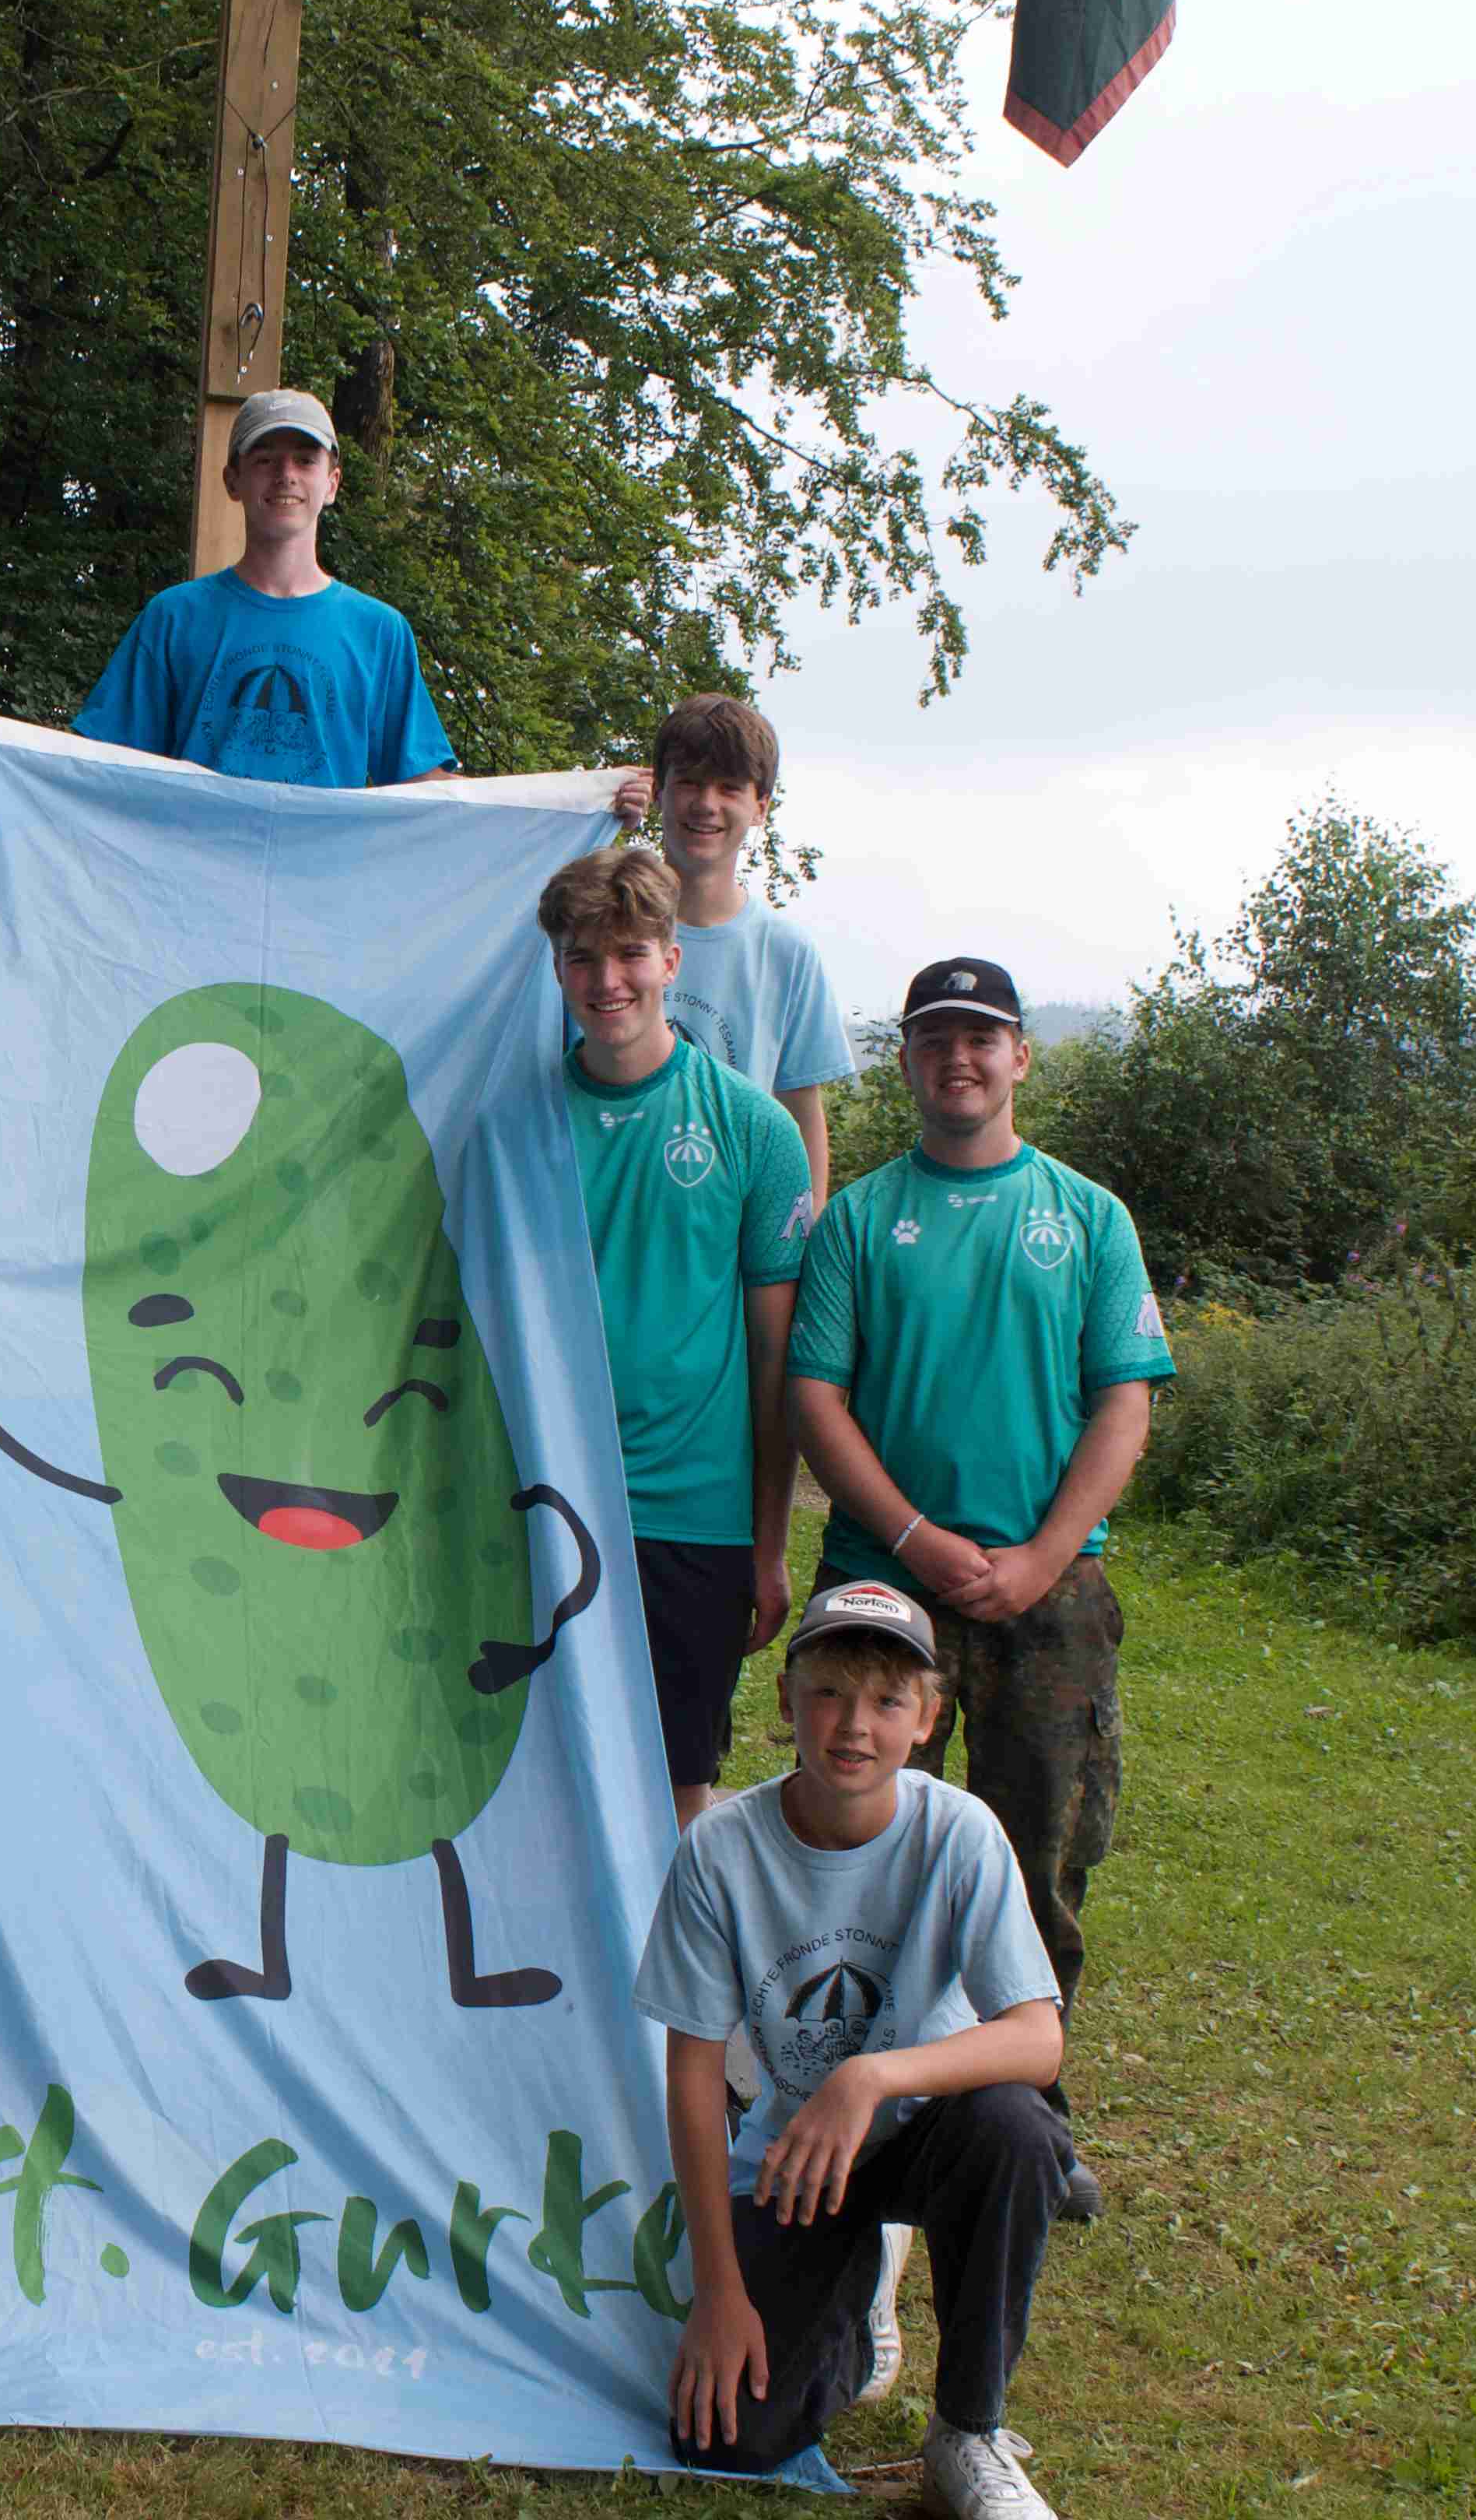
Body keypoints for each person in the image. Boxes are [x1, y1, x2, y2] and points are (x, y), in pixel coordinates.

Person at [784, 956, 1174, 2221]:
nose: (958, 1057)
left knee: (1034, 1850)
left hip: (1047, 1594)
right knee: (855, 1845)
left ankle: (1026, 2118)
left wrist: (1043, 1556)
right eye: (934, 1038)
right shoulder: (859, 1221)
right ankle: (838, 2093)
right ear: (905, 1059)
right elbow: (815, 1397)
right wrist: (911, 1535)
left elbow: (1122, 1403)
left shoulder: (1088, 1217)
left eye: (982, 1036)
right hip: (882, 1590)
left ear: (1018, 1056)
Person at [633, 1580, 1078, 2518]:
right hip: (800, 2156)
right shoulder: (717, 1849)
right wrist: (717, 2291)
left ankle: (967, 2431)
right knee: (726, 2437)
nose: (852, 1725)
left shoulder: (958, 1833)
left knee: (1017, 2130)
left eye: (885, 1700)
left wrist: (869, 2077)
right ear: (785, 1701)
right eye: (828, 1692)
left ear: (925, 1719)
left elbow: (1037, 2039)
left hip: (931, 2129)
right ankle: (855, 2302)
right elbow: (693, 2075)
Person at [540, 844, 813, 1832]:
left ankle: (672, 1950)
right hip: (541, 1502)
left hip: (692, 1518)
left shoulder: (754, 1130)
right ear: (556, 969)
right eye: (581, 957)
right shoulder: (515, 1123)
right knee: (536, 1789)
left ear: (670, 960)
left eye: (628, 953)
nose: (605, 980)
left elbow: (776, 1365)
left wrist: (767, 1545)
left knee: (675, 1794)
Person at [72, 388, 458, 789]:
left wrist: (505, 807)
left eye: (305, 460)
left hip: (325, 836)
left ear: (332, 484)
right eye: (265, 460)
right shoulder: (174, 618)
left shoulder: (379, 632)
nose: (285, 474)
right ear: (232, 481)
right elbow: (97, 765)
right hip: (195, 833)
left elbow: (424, 786)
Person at [608, 695, 853, 1201]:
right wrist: (594, 816)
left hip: (732, 1225)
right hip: (610, 1217)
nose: (706, 804)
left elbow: (801, 1112)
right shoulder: (603, 934)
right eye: (689, 783)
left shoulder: (787, 952)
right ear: (659, 791)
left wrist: (804, 1230)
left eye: (729, 788)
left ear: (760, 807)